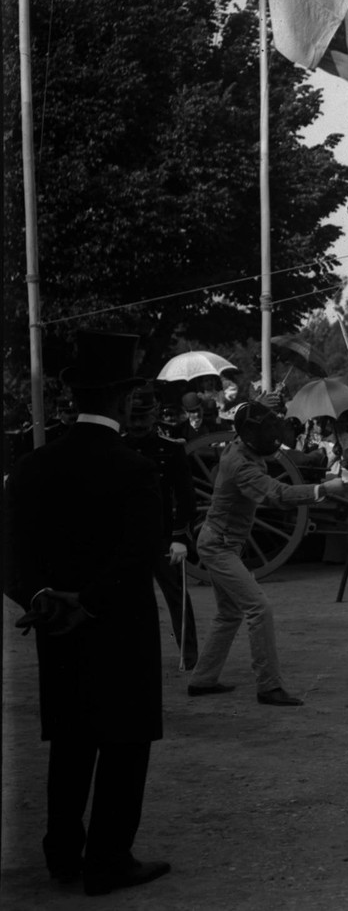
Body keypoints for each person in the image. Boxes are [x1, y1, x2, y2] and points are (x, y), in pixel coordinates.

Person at [5, 330, 171, 896]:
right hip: (118, 625)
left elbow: (11, 552)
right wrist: (92, 602)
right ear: (124, 400)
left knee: (71, 742)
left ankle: (62, 854)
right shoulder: (134, 468)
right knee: (124, 743)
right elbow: (140, 553)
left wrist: (41, 598)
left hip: (55, 627)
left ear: (75, 398)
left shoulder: (33, 466)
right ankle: (108, 859)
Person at [186, 400, 348, 707]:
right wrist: (324, 489)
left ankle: (202, 680)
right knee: (259, 608)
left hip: (223, 543)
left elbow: (255, 418)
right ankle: (268, 687)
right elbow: (279, 494)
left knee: (229, 613)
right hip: (219, 546)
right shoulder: (240, 464)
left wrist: (270, 399)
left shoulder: (240, 445)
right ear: (249, 434)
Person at [123, 384, 200, 669]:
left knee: (178, 598)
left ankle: (189, 656)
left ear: (155, 415)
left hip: (164, 537)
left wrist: (179, 536)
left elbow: (186, 498)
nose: (138, 423)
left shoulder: (170, 450)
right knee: (126, 601)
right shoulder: (118, 448)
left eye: (144, 416)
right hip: (126, 540)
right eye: (133, 417)